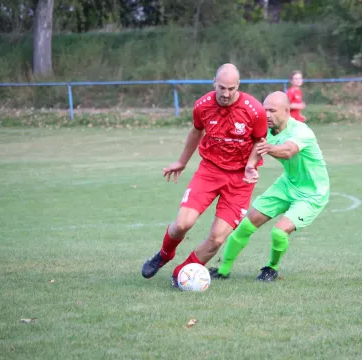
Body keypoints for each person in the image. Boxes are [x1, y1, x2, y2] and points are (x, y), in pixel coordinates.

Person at [141, 63, 268, 287]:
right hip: (209, 171)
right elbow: (196, 131)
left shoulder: (254, 110)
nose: (226, 93)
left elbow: (260, 141)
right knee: (182, 224)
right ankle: (165, 254)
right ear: (214, 83)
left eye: (231, 88)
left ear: (238, 85)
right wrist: (182, 162)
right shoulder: (202, 105)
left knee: (218, 238)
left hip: (240, 180)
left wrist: (250, 165)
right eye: (222, 88)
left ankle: (181, 274)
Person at [209, 91, 329, 282]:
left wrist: (268, 148)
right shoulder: (265, 130)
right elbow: (256, 146)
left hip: (312, 193)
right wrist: (249, 165)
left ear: (287, 111)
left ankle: (271, 268)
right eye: (264, 110)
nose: (267, 115)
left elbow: (289, 151)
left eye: (272, 110)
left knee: (279, 231)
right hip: (287, 183)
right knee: (247, 224)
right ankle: (223, 270)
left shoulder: (301, 131)